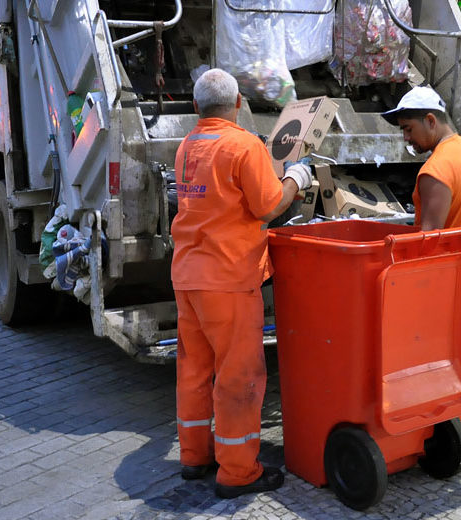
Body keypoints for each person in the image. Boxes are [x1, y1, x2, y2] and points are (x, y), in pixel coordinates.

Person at [171, 68, 312, 498]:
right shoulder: (243, 145)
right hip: (229, 280)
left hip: (188, 276)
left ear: (196, 107)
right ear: (238, 105)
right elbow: (269, 206)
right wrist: (296, 179)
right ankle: (237, 472)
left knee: (194, 369)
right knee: (239, 376)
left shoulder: (186, 145)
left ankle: (195, 456)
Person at [382, 86, 461, 440]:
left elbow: (428, 239)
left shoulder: (435, 170)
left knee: (437, 352)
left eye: (409, 129)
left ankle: (445, 421)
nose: (406, 138)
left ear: (431, 120)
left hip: (445, 280)